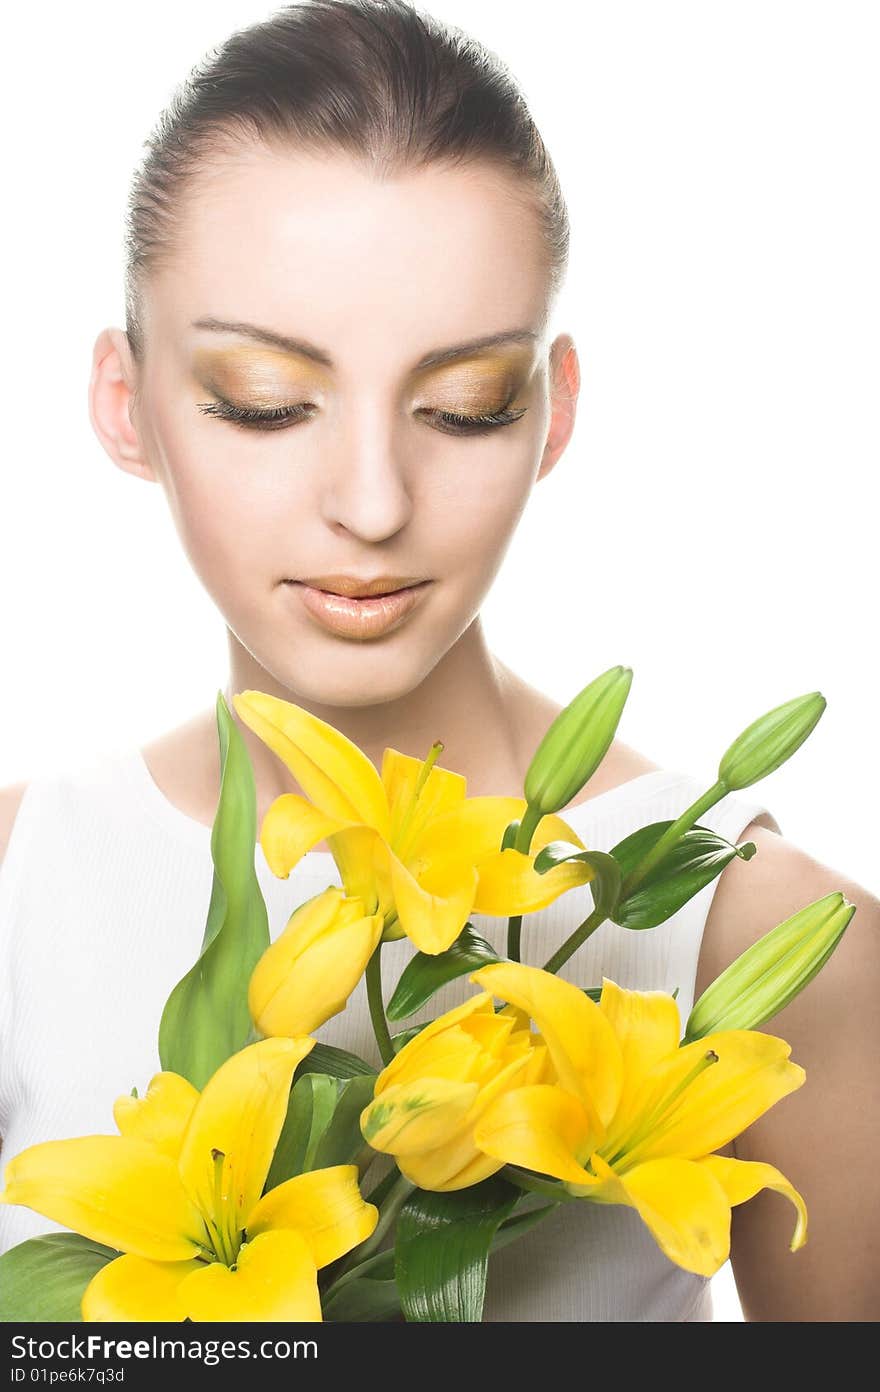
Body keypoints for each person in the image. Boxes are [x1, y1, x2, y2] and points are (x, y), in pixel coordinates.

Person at [0, 0, 877, 1321]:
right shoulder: (21, 883)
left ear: (553, 411)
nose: (371, 503)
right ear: (126, 407)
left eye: (465, 407)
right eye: (263, 400)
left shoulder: (765, 939)